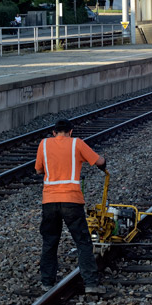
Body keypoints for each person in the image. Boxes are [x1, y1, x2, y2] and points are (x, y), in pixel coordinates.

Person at [35, 119, 106, 293]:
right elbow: (99, 162)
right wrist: (104, 162)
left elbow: (38, 170)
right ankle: (90, 284)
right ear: (70, 131)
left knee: (50, 241)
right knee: (83, 242)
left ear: (54, 132)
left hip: (49, 201)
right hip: (72, 201)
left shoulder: (44, 144)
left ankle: (47, 282)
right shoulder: (77, 143)